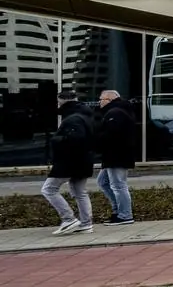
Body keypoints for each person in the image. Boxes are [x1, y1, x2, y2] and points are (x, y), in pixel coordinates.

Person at [41, 92, 96, 235]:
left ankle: (68, 218)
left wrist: (56, 139)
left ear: (63, 102)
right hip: (84, 160)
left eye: (59, 102)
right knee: (80, 192)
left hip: (69, 161)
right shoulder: (86, 115)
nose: (58, 105)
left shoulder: (73, 119)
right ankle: (86, 224)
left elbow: (75, 139)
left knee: (49, 189)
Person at [93, 89, 138, 224]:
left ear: (110, 100)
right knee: (103, 182)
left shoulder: (115, 113)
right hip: (114, 155)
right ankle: (118, 211)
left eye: (101, 99)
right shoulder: (119, 111)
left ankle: (125, 215)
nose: (99, 102)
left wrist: (97, 140)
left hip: (117, 155)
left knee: (118, 185)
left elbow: (112, 134)